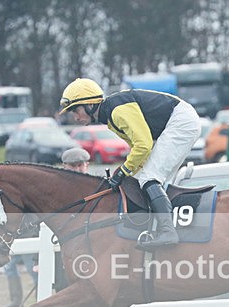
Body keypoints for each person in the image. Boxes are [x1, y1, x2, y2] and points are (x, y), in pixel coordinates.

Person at [58, 78, 201, 250]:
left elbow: (143, 145)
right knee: (146, 178)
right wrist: (129, 171)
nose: (75, 116)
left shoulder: (117, 110)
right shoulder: (109, 115)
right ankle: (159, 228)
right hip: (179, 121)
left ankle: (167, 231)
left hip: (181, 121)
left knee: (149, 177)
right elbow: (138, 148)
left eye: (76, 110)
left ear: (89, 104)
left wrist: (123, 170)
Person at [54, 146, 107, 307]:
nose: (77, 169)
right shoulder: (55, 193)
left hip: (93, 257)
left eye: (81, 165)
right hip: (63, 257)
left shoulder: (98, 189)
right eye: (72, 166)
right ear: (64, 167)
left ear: (86, 165)